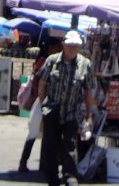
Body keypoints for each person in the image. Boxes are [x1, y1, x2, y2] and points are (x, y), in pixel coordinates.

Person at [36, 30, 96, 186]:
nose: (72, 48)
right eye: (69, 45)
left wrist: (89, 114)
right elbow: (42, 83)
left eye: (75, 46)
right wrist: (43, 105)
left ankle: (70, 176)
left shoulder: (85, 64)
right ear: (63, 44)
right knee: (51, 146)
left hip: (72, 111)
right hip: (52, 109)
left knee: (70, 146)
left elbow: (88, 90)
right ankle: (52, 178)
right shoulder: (51, 60)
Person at [19, 37, 61, 172]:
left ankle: (43, 164)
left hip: (49, 101)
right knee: (34, 132)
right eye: (57, 47)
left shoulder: (55, 62)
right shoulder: (45, 62)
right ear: (51, 48)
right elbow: (39, 83)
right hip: (41, 101)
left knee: (46, 134)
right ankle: (23, 162)